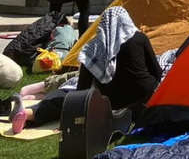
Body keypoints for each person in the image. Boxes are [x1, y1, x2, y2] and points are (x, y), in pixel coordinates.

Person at [15, 7, 162, 131]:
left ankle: (29, 114)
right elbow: (157, 72)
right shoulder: (139, 38)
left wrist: (71, 119)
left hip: (112, 102)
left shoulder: (92, 48)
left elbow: (82, 90)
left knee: (62, 97)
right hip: (144, 95)